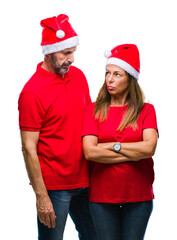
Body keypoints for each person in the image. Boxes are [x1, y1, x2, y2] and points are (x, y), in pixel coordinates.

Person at [18, 14, 97, 240]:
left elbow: (90, 121)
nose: (71, 59)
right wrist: (41, 197)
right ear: (49, 51)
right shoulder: (32, 92)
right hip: (55, 188)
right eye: (65, 53)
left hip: (87, 180)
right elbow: (28, 148)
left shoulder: (79, 76)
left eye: (73, 52)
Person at [82, 44, 158, 240]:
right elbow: (90, 152)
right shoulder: (93, 110)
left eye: (117, 74)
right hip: (101, 198)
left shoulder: (146, 110)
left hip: (138, 197)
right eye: (108, 73)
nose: (110, 79)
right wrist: (133, 153)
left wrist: (110, 146)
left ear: (130, 78)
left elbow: (149, 148)